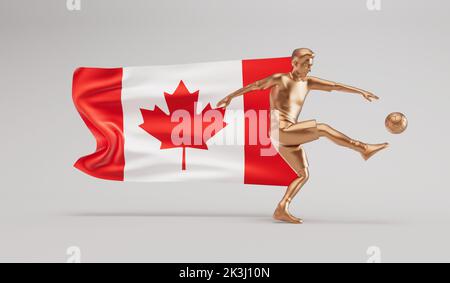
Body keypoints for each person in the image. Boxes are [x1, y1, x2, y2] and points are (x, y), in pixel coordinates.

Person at [217, 48, 388, 224]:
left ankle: (282, 208)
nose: (309, 68)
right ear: (294, 63)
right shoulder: (280, 79)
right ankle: (362, 148)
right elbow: (255, 85)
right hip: (280, 130)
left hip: (286, 135)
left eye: (311, 65)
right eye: (306, 64)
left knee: (303, 174)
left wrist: (361, 91)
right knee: (322, 128)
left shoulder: (308, 82)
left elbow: (335, 86)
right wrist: (230, 97)